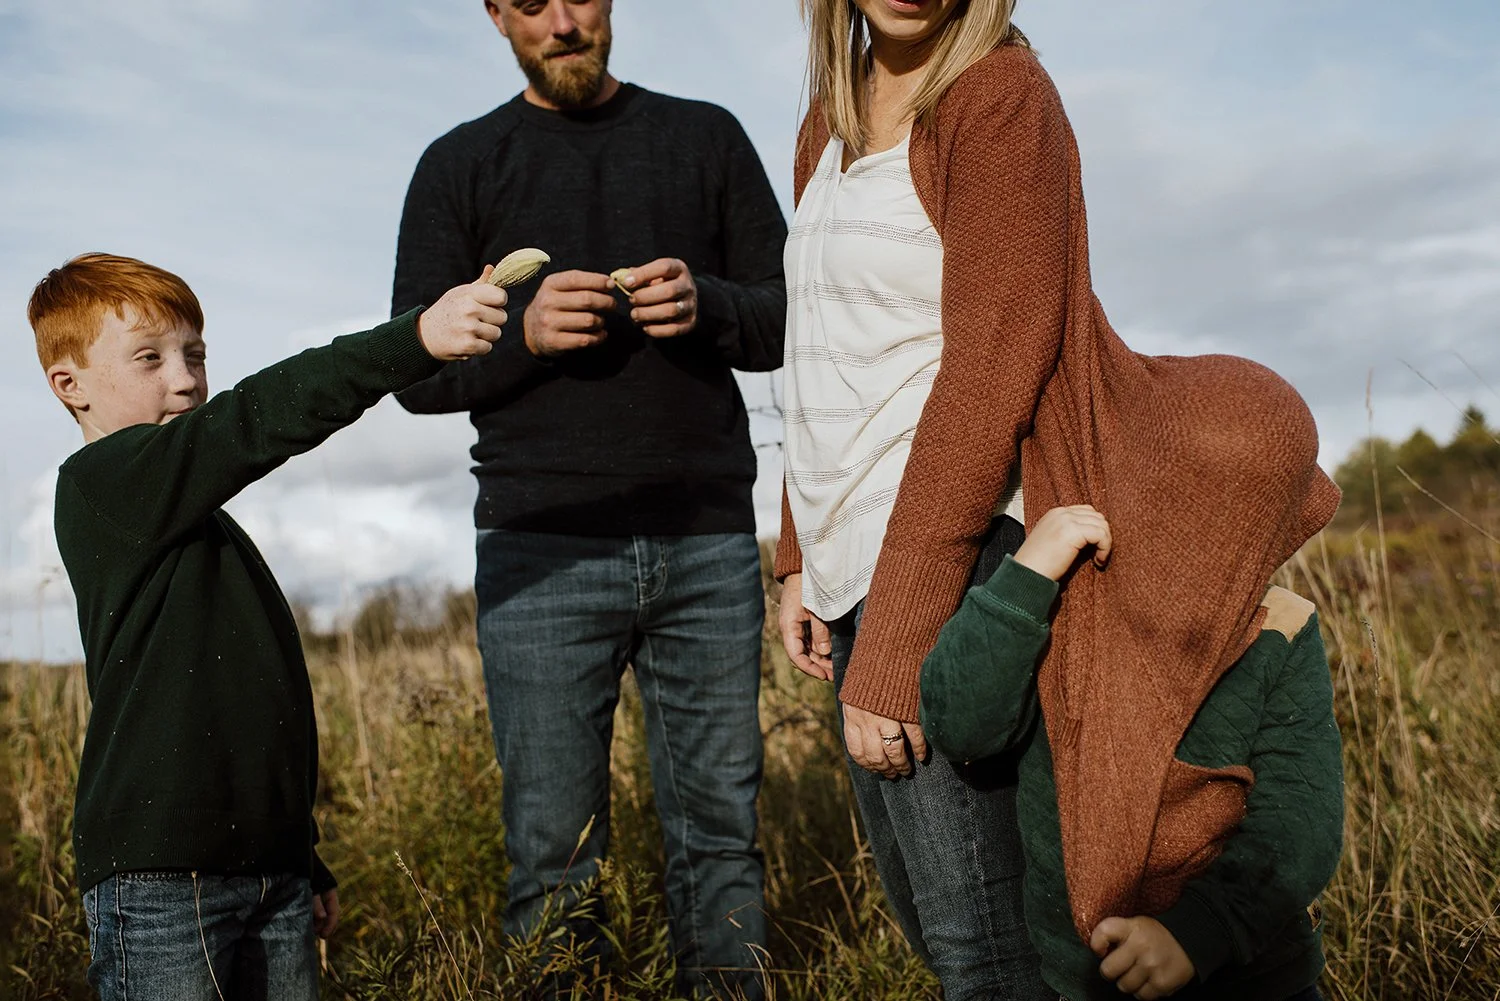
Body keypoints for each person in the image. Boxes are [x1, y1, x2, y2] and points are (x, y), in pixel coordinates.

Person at [391, 1, 786, 995]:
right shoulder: (459, 164)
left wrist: (707, 302)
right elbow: (413, 369)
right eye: (532, 4)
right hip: (541, 550)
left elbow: (790, 316)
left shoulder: (705, 137)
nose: (564, 23)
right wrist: (522, 335)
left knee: (722, 838)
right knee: (552, 857)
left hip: (706, 543)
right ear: (495, 14)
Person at [29, 251, 507, 1000]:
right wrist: (414, 339)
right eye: (150, 358)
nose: (186, 380)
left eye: (195, 355)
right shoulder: (103, 485)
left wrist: (301, 857)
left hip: (270, 872)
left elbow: (254, 705)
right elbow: (252, 418)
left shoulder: (207, 528)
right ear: (71, 385)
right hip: (162, 881)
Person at [776, 1, 1049, 996]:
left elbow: (994, 370)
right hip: (855, 568)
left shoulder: (999, 94)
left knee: (987, 952)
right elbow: (817, 344)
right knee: (939, 935)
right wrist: (798, 554)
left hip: (950, 561)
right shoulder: (829, 116)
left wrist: (898, 640)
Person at [921, 426, 1344, 1001]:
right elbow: (960, 728)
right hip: (1088, 973)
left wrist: (1199, 932)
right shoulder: (1060, 611)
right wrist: (1026, 574)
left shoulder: (1283, 625)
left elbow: (1299, 820)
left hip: (1256, 975)